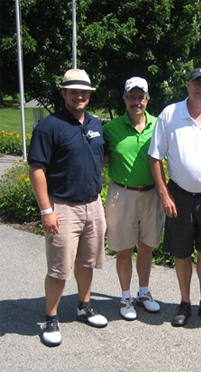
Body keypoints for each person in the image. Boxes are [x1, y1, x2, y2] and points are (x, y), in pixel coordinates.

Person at [28, 69, 108, 347]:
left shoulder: (96, 123)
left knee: (87, 261)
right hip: (62, 206)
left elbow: (102, 154)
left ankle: (83, 306)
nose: (79, 95)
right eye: (73, 91)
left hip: (93, 204)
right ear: (63, 93)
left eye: (84, 91)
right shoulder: (48, 127)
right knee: (59, 268)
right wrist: (46, 210)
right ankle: (51, 317)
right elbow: (37, 168)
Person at [148, 67, 201, 327]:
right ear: (188, 85)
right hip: (179, 197)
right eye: (197, 83)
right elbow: (155, 156)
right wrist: (163, 193)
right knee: (182, 253)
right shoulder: (170, 114)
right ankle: (185, 302)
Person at [103, 77, 164, 321]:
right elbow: (100, 155)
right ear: (124, 99)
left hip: (151, 194)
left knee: (147, 247)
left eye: (140, 97)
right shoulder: (111, 128)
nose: (136, 101)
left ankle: (144, 292)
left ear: (147, 99)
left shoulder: (159, 125)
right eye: (131, 97)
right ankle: (126, 296)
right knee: (125, 249)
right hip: (122, 194)